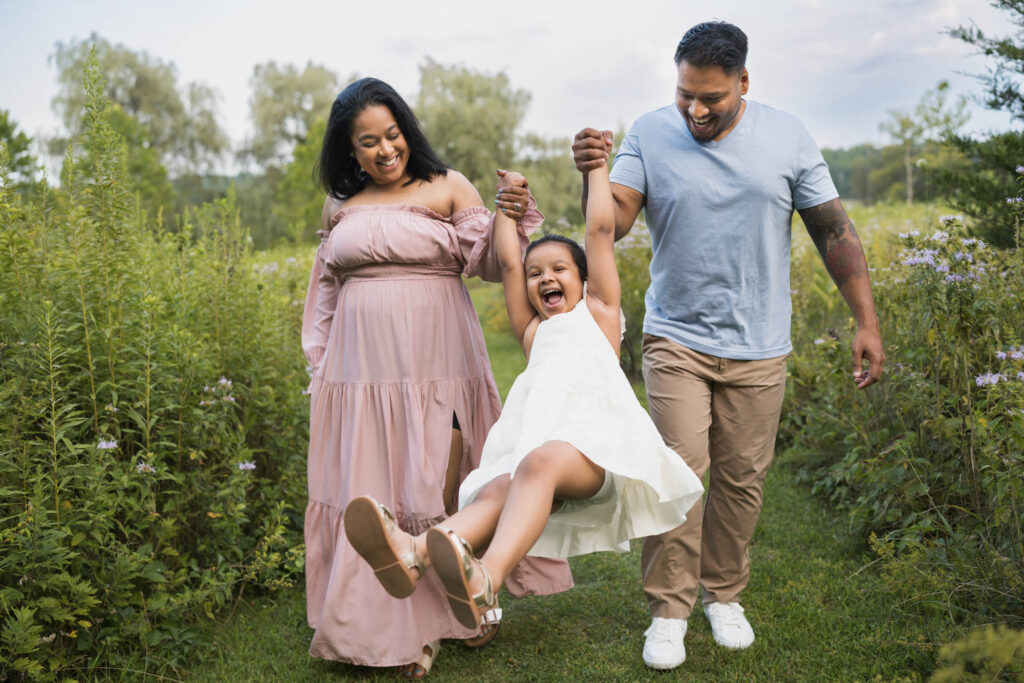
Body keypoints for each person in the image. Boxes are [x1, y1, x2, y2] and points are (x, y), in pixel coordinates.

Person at [572, 21, 885, 671]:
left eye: (711, 97)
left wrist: (867, 322)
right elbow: (614, 221)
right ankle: (668, 609)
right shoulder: (650, 133)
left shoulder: (787, 136)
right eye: (686, 92)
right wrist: (592, 173)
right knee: (680, 474)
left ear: (743, 82)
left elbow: (834, 231)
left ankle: (724, 593)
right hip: (675, 335)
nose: (695, 109)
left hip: (759, 342)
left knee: (742, 481)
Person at [343, 164, 704, 672]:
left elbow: (600, 231)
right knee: (496, 487)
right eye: (538, 274)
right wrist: (508, 210)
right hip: (536, 460)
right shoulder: (534, 333)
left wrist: (597, 169)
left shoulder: (598, 316)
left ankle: (485, 577)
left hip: (595, 456)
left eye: (559, 269)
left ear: (584, 280)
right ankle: (413, 552)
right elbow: (510, 266)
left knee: (535, 463)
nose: (545, 278)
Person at [301, 77, 573, 678]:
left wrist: (511, 212)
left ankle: (460, 608)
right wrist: (319, 362)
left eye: (392, 134)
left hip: (437, 363)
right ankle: (396, 631)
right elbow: (324, 288)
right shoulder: (338, 205)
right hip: (359, 376)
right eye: (367, 142)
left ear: (407, 130)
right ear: (349, 149)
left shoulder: (448, 187)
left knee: (436, 481)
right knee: (374, 488)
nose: (384, 150)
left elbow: (487, 261)